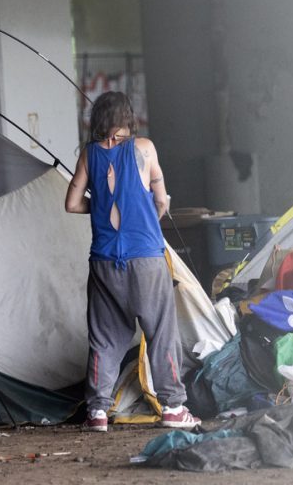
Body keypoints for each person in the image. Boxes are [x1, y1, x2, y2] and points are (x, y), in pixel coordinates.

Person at [64, 91, 200, 432]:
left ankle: (97, 411)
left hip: (104, 262)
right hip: (146, 260)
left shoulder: (88, 155)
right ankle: (173, 407)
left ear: (98, 122)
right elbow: (160, 201)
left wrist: (97, 208)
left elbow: (71, 203)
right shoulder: (144, 148)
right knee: (160, 333)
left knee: (105, 338)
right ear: (128, 119)